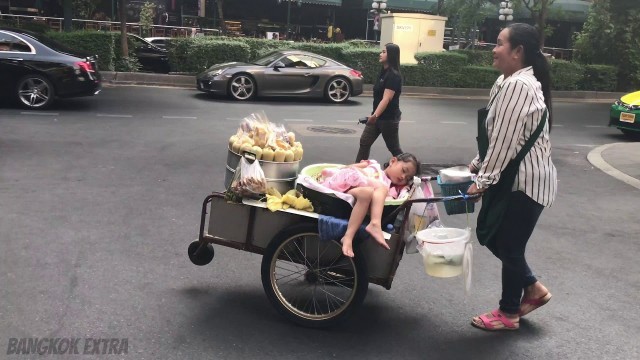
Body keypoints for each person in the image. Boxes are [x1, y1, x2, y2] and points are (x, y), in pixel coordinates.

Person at [466, 23, 557, 331]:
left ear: (518, 52)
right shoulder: (509, 81)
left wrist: (482, 181)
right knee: (504, 243)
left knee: (507, 246)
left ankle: (509, 312)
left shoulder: (519, 86)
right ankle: (531, 291)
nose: (493, 49)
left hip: (525, 185)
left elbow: (505, 142)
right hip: (520, 181)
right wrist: (480, 162)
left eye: (499, 43)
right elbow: (498, 137)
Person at [319, 153, 420, 258]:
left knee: (368, 192)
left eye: (407, 178)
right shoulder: (373, 165)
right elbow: (348, 168)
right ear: (393, 161)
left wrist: (405, 188)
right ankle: (375, 223)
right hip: (345, 188)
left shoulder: (393, 189)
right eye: (403, 171)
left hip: (358, 194)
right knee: (380, 188)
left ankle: (348, 237)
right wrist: (362, 173)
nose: (403, 177)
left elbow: (389, 199)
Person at [356, 43, 403, 163]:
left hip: (388, 119)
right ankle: (357, 171)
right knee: (365, 141)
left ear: (391, 55)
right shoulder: (383, 72)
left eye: (384, 52)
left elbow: (386, 99)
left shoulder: (394, 76)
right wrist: (375, 115)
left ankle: (408, 170)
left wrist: (374, 116)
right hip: (377, 116)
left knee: (394, 149)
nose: (380, 54)